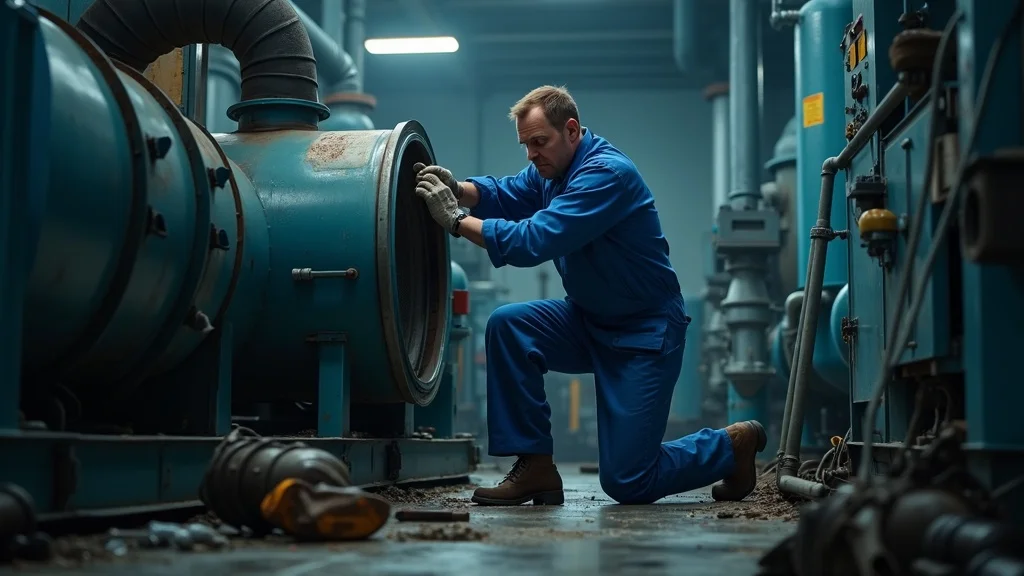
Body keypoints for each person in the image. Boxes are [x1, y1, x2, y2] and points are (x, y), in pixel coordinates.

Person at [412, 85, 766, 506]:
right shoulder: (551, 171)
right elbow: (509, 192)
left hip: (644, 332)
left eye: (539, 143)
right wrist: (461, 187)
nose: (531, 154)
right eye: (525, 145)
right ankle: (536, 468)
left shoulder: (605, 175)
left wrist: (455, 220)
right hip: (587, 319)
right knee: (509, 326)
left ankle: (731, 446)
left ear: (573, 130)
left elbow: (534, 240)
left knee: (628, 481)